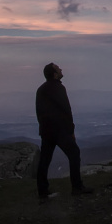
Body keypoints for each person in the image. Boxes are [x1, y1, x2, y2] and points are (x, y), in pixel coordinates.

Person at [35, 63, 93, 198]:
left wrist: (43, 128)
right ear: (54, 74)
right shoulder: (58, 88)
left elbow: (39, 112)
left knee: (45, 160)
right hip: (59, 130)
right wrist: (71, 130)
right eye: (58, 68)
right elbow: (66, 109)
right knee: (74, 153)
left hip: (46, 131)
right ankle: (77, 187)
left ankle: (42, 191)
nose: (61, 69)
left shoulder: (41, 89)